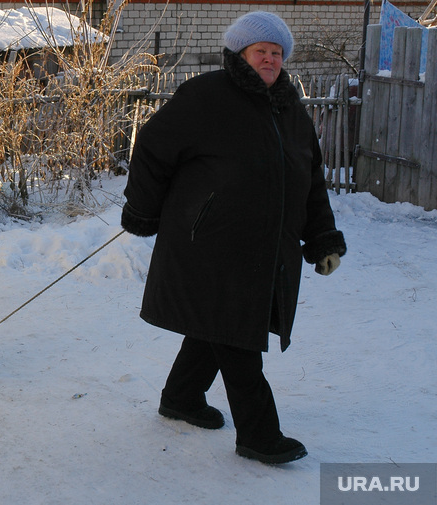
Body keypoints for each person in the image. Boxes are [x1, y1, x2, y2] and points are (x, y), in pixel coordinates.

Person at [121, 11, 347, 465]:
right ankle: (259, 435)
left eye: (277, 53)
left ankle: (181, 398)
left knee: (218, 326)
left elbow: (310, 179)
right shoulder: (206, 96)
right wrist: (143, 211)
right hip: (209, 243)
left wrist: (322, 239)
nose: (269, 59)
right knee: (237, 336)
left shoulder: (292, 112)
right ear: (240, 54)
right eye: (261, 51)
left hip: (266, 248)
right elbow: (151, 147)